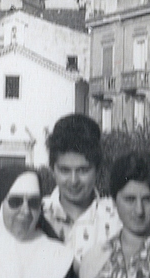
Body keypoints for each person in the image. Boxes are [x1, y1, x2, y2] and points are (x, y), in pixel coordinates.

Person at [41, 114, 121, 269]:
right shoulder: (36, 214)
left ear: (98, 170)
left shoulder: (118, 218)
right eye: (64, 170)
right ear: (52, 170)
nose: (73, 181)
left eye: (83, 170)